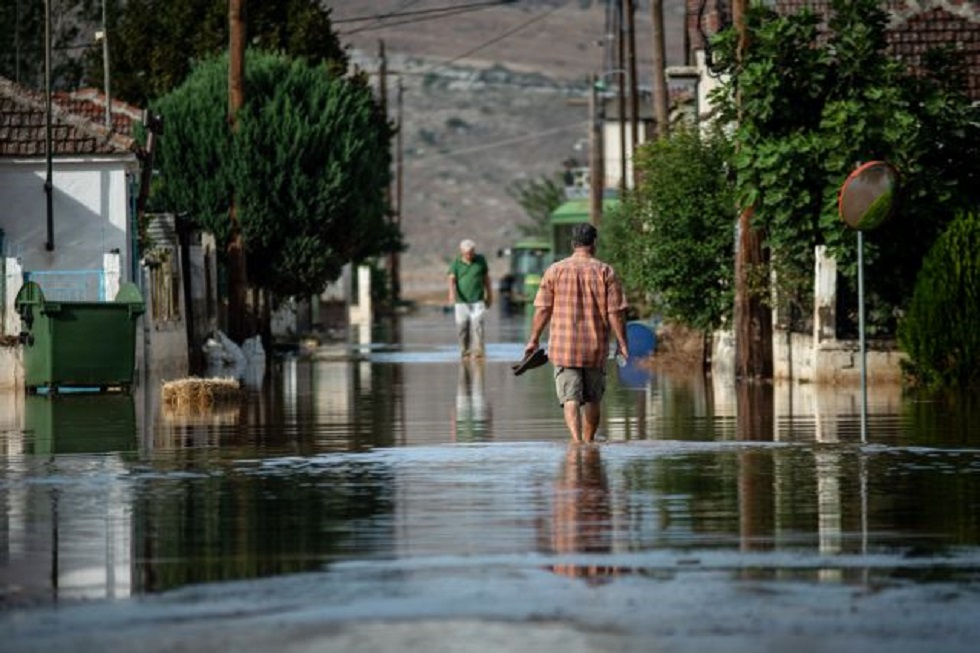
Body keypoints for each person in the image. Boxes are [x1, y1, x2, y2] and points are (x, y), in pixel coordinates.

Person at [524, 223, 628, 443]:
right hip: (595, 347)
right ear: (594, 243)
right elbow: (615, 313)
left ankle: (576, 441)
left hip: (564, 348)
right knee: (593, 399)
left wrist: (533, 340)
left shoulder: (555, 270)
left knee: (570, 396)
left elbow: (543, 309)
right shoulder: (605, 271)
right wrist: (622, 343)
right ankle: (589, 442)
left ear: (573, 244)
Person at [447, 238, 492, 358]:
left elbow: (486, 279)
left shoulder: (480, 260)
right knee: (462, 327)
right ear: (461, 252)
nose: (469, 255)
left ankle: (478, 352)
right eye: (467, 253)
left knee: (477, 326)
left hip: (478, 300)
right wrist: (451, 294)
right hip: (461, 301)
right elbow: (451, 279)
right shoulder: (456, 262)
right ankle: (465, 351)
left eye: (471, 252)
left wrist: (489, 296)